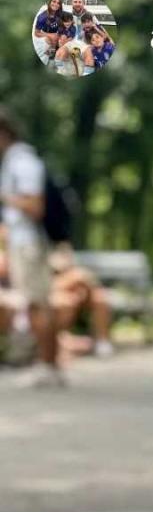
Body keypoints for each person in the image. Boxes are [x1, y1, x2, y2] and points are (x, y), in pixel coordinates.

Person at [0, 108, 61, 387]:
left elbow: (35, 206)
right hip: (21, 241)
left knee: (39, 304)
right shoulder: (13, 161)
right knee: (35, 303)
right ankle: (46, 366)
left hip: (29, 243)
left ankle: (48, 366)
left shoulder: (22, 162)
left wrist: (4, 197)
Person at [49, 245, 113, 356]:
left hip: (80, 297)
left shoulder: (75, 269)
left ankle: (102, 342)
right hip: (56, 299)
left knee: (100, 298)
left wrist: (82, 290)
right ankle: (59, 341)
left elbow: (93, 284)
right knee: (65, 301)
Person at [34, 0, 67, 65]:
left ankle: (58, 56)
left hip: (57, 34)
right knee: (53, 38)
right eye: (54, 1)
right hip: (45, 34)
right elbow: (36, 33)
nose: (56, 4)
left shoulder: (60, 14)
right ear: (49, 2)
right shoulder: (42, 17)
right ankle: (51, 57)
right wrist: (50, 35)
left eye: (58, 3)